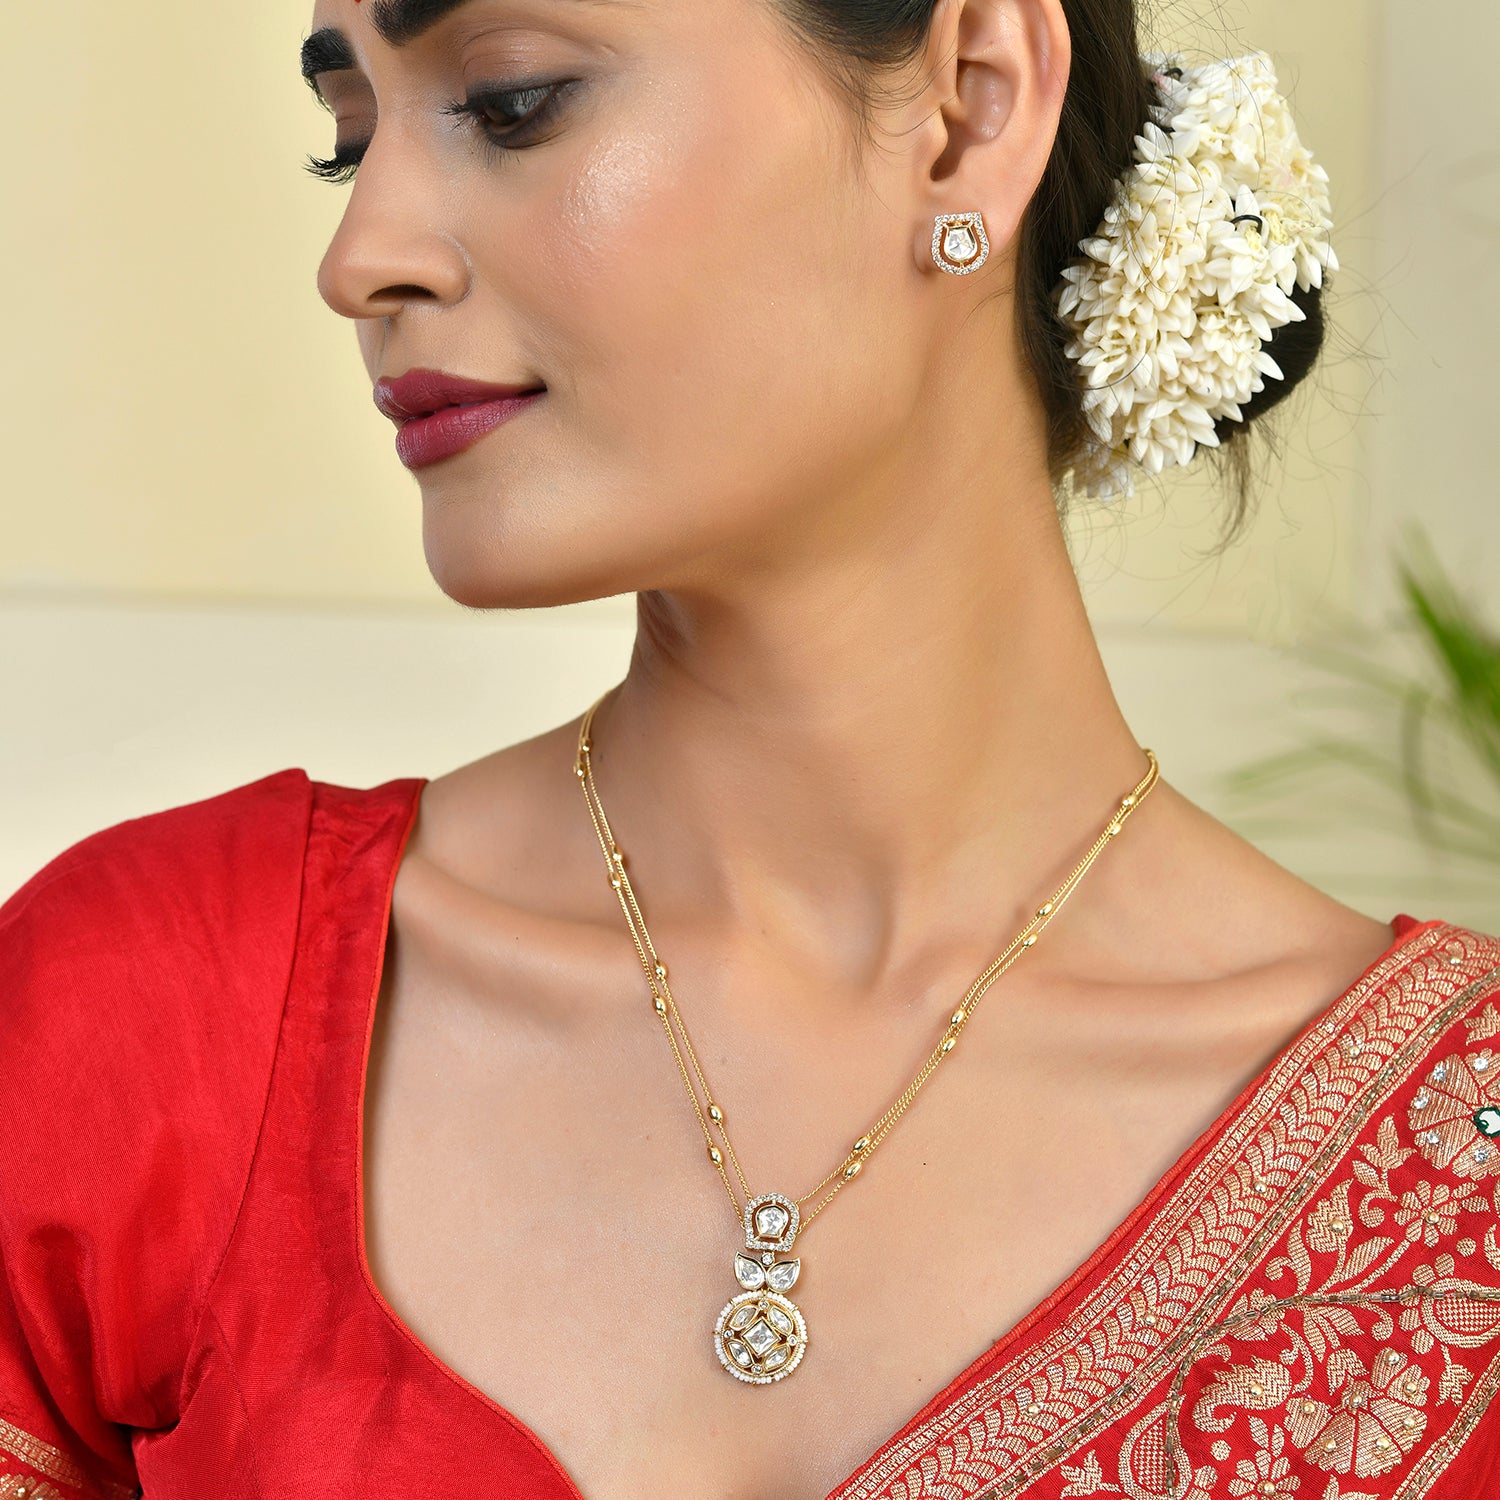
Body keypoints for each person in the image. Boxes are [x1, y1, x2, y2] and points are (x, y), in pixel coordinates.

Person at [1, 0, 1496, 1495]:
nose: (358, 258)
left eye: (514, 102)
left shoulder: (1460, 1191)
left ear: (969, 112)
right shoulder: (151, 1022)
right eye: (352, 140)